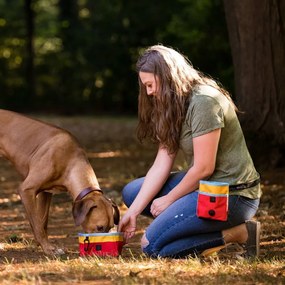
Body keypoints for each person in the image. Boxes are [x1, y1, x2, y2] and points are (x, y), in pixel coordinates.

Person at [118, 44, 262, 258]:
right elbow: (162, 163)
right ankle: (186, 224)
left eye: (150, 85)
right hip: (204, 186)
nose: (148, 93)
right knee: (133, 193)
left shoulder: (204, 101)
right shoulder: (172, 104)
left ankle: (240, 232)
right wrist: (133, 212)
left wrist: (169, 199)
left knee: (151, 246)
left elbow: (204, 168)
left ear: (167, 78)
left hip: (232, 193)